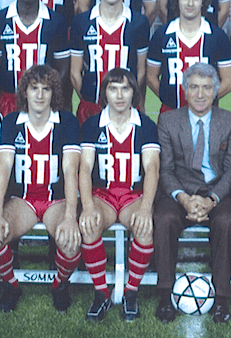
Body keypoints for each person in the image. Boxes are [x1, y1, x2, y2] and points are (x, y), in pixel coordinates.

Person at [0, 65, 82, 313]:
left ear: (54, 93)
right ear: (24, 92)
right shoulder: (11, 122)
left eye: (46, 89)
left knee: (70, 242)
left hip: (56, 200)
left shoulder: (67, 122)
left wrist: (70, 217)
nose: (39, 95)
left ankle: (60, 284)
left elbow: (71, 171)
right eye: (34, 88)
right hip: (23, 200)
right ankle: (11, 285)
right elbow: (3, 170)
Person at [153, 63, 231, 324]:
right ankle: (165, 294)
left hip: (216, 191)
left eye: (206, 88)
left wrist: (211, 200)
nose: (200, 94)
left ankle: (221, 298)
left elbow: (230, 170)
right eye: (194, 87)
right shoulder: (168, 120)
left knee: (227, 221)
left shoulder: (230, 120)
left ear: (216, 91)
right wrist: (183, 198)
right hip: (180, 191)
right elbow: (166, 170)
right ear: (185, 91)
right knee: (164, 219)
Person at [79, 68, 160, 322]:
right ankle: (101, 293)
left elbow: (152, 168)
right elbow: (84, 168)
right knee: (90, 225)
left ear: (134, 92)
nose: (120, 95)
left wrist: (145, 208)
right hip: (102, 194)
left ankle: (130, 292)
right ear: (104, 93)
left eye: (125, 88)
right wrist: (88, 206)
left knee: (144, 227)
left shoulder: (146, 125)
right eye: (113, 89)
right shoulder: (92, 124)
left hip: (133, 195)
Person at [71, 0, 150, 123]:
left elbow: (141, 71)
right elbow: (75, 72)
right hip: (91, 107)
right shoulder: (81, 22)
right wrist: (89, 100)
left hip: (126, 108)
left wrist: (126, 100)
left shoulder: (139, 22)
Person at [0, 0, 69, 117]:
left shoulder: (56, 21)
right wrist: (7, 93)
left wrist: (47, 94)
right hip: (9, 101)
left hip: (43, 102)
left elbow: (63, 67)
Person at [147, 0, 231, 112]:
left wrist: (205, 101)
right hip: (170, 113)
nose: (190, 3)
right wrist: (169, 99)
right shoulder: (161, 35)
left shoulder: (217, 36)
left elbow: (228, 82)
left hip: (206, 114)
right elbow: (151, 76)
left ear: (203, 1)